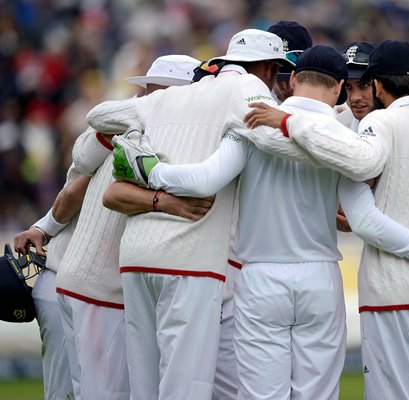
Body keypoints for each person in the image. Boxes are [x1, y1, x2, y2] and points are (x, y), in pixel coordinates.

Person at [108, 43, 409, 399]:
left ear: (292, 80)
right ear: (340, 87)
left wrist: (153, 172)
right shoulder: (342, 137)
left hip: (259, 277)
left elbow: (205, 179)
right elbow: (365, 221)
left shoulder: (253, 124)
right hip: (320, 276)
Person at [86, 29, 299, 400]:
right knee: (186, 387)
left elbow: (98, 114)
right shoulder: (250, 91)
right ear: (267, 69)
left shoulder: (171, 97)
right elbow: (265, 148)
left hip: (136, 257)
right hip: (191, 258)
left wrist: (142, 146)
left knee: (144, 387)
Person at [55, 54, 203, 400]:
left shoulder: (120, 125)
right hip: (99, 287)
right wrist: (173, 204)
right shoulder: (143, 130)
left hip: (87, 282)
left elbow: (77, 173)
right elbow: (110, 192)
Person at [13, 169, 89, 400]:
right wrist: (44, 229)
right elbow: (73, 194)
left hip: (66, 280)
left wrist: (43, 228)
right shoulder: (105, 141)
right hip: (69, 282)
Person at [267, 20, 313, 104]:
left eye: (295, 75)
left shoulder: (333, 107)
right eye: (278, 77)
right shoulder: (247, 103)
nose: (286, 86)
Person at [336, 41, 376, 131]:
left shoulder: (402, 126)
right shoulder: (338, 126)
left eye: (364, 85)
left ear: (380, 85)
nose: (355, 97)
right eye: (347, 86)